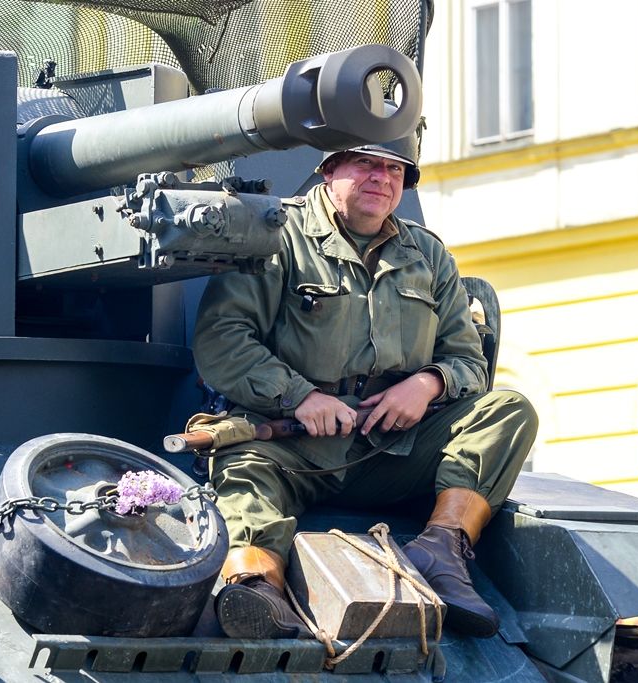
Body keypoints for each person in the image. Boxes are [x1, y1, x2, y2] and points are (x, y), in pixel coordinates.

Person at [193, 130, 538, 641]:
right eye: (365, 164)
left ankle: (442, 548)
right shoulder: (277, 236)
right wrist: (300, 396)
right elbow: (223, 338)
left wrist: (428, 383)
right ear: (330, 169)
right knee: (244, 473)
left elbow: (467, 359)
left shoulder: (426, 254)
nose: (382, 178)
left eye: (395, 169)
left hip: (393, 447)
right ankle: (256, 586)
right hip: (292, 443)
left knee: (508, 410)